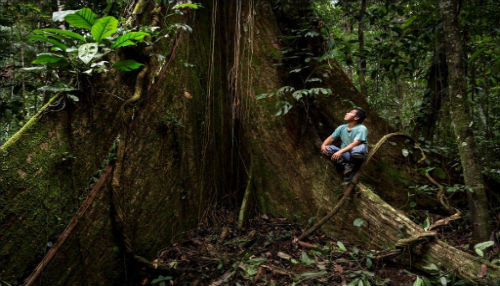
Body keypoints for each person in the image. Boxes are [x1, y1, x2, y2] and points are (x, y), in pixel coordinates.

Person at [321, 108, 368, 180]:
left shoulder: (361, 128)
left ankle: (352, 167)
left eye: (351, 112)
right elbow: (330, 138)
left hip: (356, 155)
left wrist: (340, 151)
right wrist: (323, 145)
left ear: (356, 117)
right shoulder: (342, 127)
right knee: (328, 149)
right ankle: (345, 165)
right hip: (345, 154)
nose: (347, 113)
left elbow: (355, 144)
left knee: (357, 150)